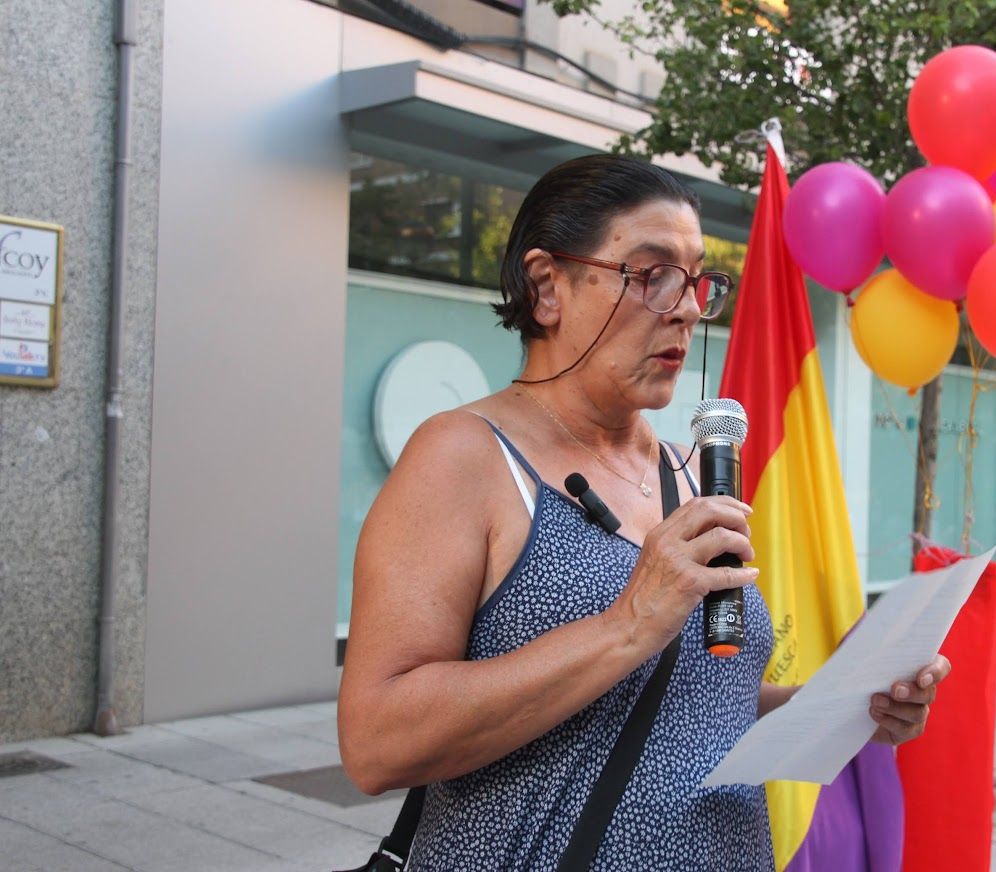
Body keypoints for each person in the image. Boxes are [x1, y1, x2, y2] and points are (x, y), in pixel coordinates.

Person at [337, 154, 950, 870]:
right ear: (548, 287)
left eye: (696, 281)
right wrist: (627, 625)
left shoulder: (690, 471)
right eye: (653, 275)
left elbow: (696, 702)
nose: (686, 308)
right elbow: (377, 743)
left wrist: (841, 705)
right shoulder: (464, 456)